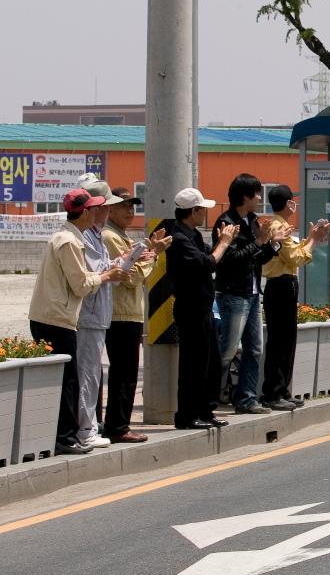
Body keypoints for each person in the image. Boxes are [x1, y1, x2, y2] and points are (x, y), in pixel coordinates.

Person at [28, 189, 128, 455]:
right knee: (69, 381)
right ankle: (65, 438)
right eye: (94, 208)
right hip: (57, 319)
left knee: (64, 380)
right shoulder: (71, 241)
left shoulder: (66, 236)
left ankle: (62, 436)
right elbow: (82, 284)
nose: (97, 213)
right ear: (84, 213)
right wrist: (106, 276)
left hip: (49, 317)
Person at [213, 173, 288, 414]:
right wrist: (258, 242)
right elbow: (230, 259)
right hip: (233, 293)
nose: (259, 198)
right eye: (256, 193)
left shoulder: (255, 221)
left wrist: (272, 244)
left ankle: (246, 399)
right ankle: (209, 397)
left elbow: (260, 258)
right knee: (227, 349)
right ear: (245, 196)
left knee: (254, 349)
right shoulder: (227, 223)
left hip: (253, 292)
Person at [102, 186, 170, 443]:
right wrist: (152, 257)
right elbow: (132, 277)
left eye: (132, 206)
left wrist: (150, 251)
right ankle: (117, 426)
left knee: (126, 372)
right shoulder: (111, 237)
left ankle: (118, 424)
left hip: (127, 312)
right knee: (124, 373)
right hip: (120, 314)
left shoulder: (121, 235)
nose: (130, 211)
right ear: (109, 208)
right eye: (123, 205)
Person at [165, 188, 235, 430]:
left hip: (204, 308)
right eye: (202, 209)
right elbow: (207, 263)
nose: (205, 213)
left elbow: (212, 256)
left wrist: (223, 244)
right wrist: (223, 243)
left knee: (210, 362)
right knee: (192, 365)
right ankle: (187, 415)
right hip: (190, 309)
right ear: (192, 211)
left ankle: (205, 410)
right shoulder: (178, 238)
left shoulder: (192, 235)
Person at [260, 185, 330, 409]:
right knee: (280, 341)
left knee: (286, 339)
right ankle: (273, 393)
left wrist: (310, 239)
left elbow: (291, 254)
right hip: (280, 285)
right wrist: (313, 240)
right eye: (293, 201)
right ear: (289, 203)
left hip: (283, 284)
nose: (295, 206)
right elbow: (293, 258)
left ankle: (282, 390)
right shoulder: (278, 226)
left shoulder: (279, 225)